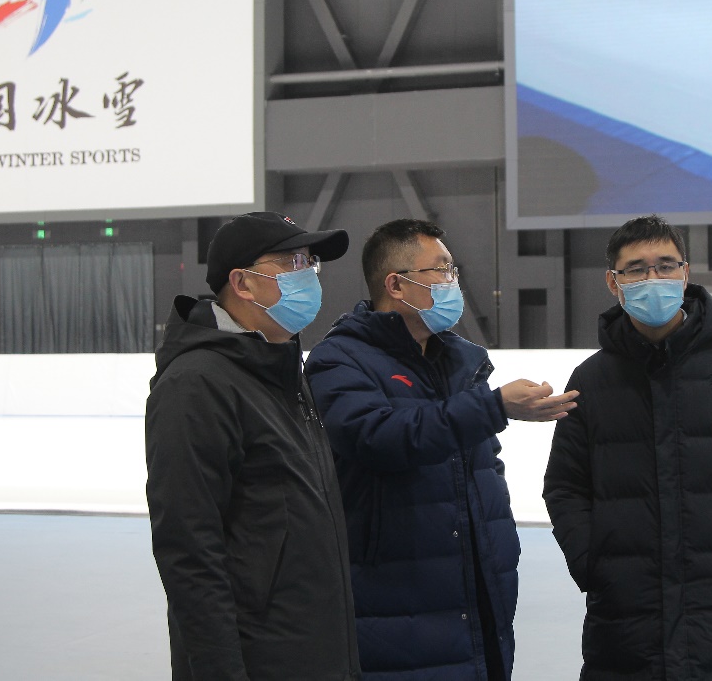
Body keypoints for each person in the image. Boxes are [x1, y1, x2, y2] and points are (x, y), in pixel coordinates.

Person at [305, 218, 579, 681]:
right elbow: (378, 437)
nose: (454, 281)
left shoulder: (461, 362)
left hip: (478, 593)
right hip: (396, 603)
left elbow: (482, 469)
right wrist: (493, 407)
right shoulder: (339, 361)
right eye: (442, 269)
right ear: (396, 285)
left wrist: (500, 554)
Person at [543, 215, 712, 681]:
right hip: (626, 620)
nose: (653, 278)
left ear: (685, 274)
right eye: (636, 269)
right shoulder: (590, 381)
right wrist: (593, 563)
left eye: (666, 265)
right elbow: (565, 486)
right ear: (613, 282)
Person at [145, 211, 361, 681]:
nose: (308, 274)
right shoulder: (196, 384)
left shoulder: (280, 369)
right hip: (261, 660)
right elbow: (190, 552)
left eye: (310, 261)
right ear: (242, 283)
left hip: (314, 652)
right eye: (291, 261)